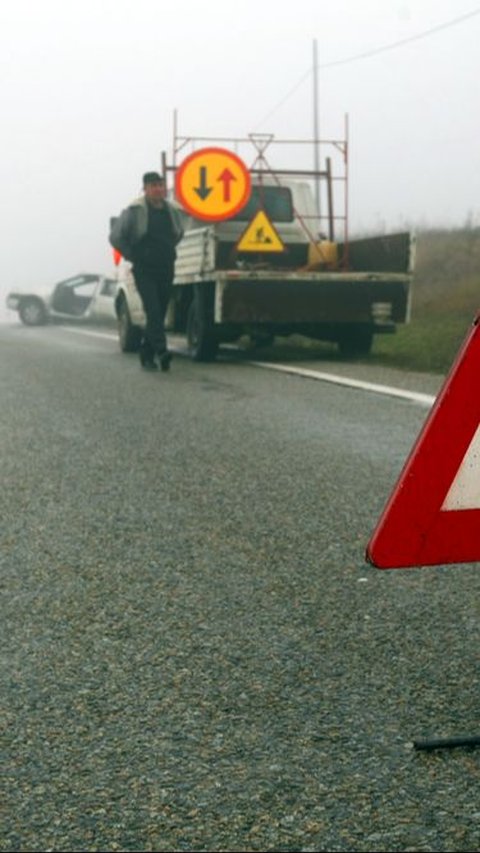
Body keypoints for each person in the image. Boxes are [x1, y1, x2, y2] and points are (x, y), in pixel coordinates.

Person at [109, 172, 184, 370]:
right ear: (145, 189)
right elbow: (115, 236)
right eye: (153, 186)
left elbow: (179, 233)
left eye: (161, 185)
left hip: (166, 266)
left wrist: (168, 250)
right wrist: (132, 254)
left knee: (159, 311)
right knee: (153, 309)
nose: (158, 189)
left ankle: (146, 352)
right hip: (144, 269)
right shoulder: (135, 210)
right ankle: (162, 351)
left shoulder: (172, 210)